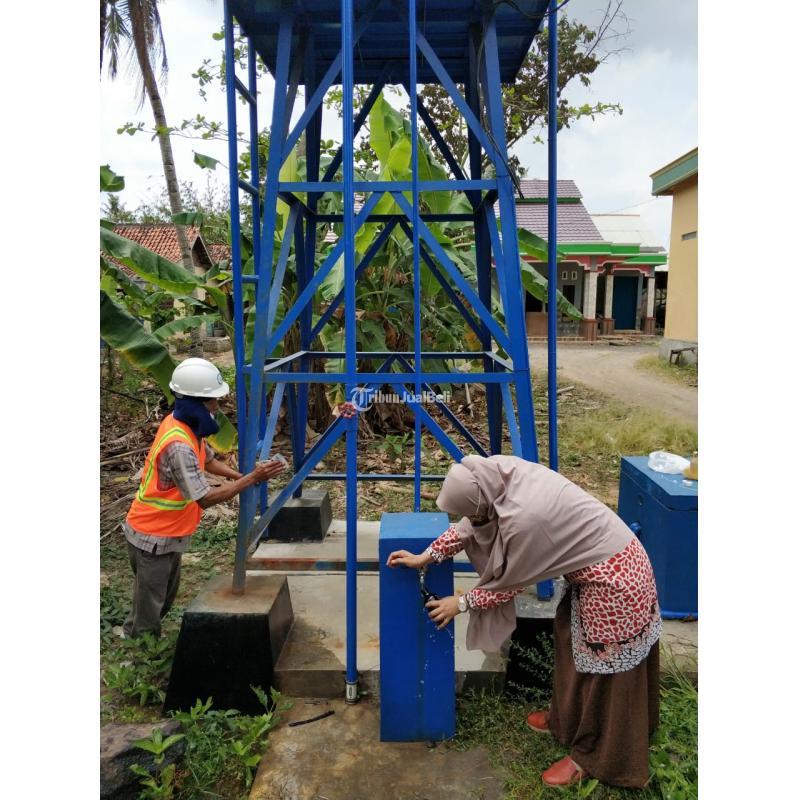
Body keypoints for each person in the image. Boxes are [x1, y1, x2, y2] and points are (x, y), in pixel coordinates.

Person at [386, 454, 661, 789]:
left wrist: (460, 603)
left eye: (473, 512)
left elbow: (509, 583)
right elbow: (471, 522)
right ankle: (566, 721)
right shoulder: (492, 476)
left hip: (616, 583)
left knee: (605, 675)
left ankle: (594, 756)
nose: (472, 519)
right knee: (571, 647)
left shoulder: (524, 521)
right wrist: (428, 555)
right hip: (597, 571)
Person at [121, 357, 286, 639]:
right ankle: (141, 651)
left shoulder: (184, 426)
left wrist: (242, 475)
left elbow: (208, 461)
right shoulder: (178, 445)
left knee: (158, 595)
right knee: (151, 604)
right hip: (152, 536)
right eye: (212, 401)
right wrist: (251, 479)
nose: (217, 407)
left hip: (168, 533)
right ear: (194, 402)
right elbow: (205, 498)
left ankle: (135, 633)